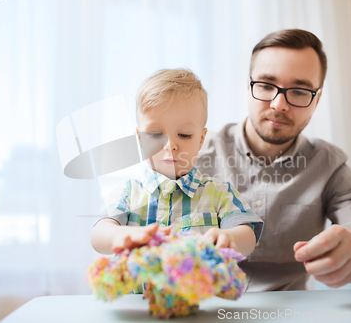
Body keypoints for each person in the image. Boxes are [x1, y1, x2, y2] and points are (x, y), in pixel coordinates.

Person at [196, 29, 351, 291]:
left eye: (298, 91)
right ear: (249, 86)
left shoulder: (329, 166)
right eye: (266, 85)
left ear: (317, 100)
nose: (278, 104)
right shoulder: (192, 153)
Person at [91, 68, 263, 257]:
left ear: (200, 140)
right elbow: (99, 234)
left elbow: (248, 235)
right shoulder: (129, 193)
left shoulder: (219, 193)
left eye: (184, 135)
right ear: (140, 139)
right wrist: (119, 235)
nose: (170, 145)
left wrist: (230, 239)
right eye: (156, 134)